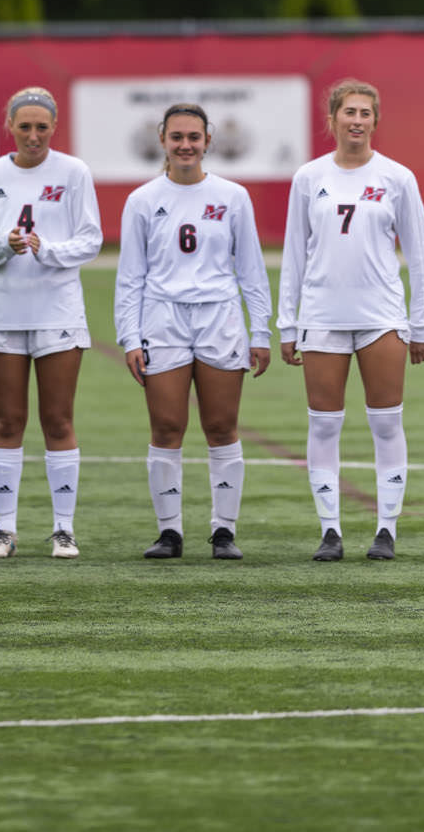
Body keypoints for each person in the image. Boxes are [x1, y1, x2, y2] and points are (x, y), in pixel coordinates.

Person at [278, 78, 424, 563]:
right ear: (332, 119)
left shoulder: (397, 177)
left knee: (386, 423)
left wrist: (421, 322)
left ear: (375, 120)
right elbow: (293, 256)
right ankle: (330, 530)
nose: (356, 121)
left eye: (365, 113)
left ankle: (386, 528)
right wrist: (289, 323)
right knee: (324, 425)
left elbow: (420, 252)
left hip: (381, 317)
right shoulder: (309, 177)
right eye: (348, 112)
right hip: (323, 317)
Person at [115, 104, 273, 561]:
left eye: (194, 137)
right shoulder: (143, 200)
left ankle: (223, 531)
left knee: (221, 426)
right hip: (162, 318)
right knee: (167, 426)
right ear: (162, 140)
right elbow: (131, 277)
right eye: (177, 136)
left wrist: (258, 331)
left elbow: (251, 271)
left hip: (219, 317)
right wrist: (130, 336)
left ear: (209, 141)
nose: (186, 145)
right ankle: (169, 532)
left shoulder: (232, 196)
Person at [0, 87, 102, 559]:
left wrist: (49, 250)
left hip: (58, 312)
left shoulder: (73, 172)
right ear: (10, 127)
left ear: (53, 127)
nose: (33, 135)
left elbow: (91, 240)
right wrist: (5, 244)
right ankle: (5, 529)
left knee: (58, 420)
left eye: (41, 126)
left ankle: (63, 529)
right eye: (24, 126)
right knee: (7, 421)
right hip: (3, 312)